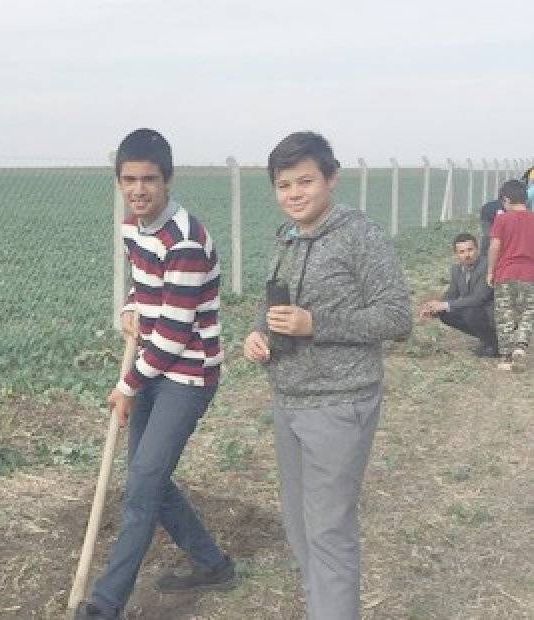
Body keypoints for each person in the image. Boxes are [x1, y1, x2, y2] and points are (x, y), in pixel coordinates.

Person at [243, 132, 412, 620]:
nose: (294, 194)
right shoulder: (286, 237)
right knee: (300, 528)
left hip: (339, 402)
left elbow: (397, 317)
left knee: (328, 532)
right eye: (283, 185)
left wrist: (316, 324)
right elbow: (273, 305)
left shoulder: (360, 236)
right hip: (289, 399)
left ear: (331, 178)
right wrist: (257, 334)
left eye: (305, 181)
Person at [75, 129, 236, 619]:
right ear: (119, 181)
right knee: (149, 477)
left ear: (167, 179)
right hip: (153, 366)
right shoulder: (134, 226)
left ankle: (105, 604)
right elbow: (145, 286)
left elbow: (173, 331)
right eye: (129, 180)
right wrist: (130, 305)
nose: (138, 189)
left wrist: (128, 386)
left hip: (187, 374)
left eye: (148, 179)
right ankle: (212, 564)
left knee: (142, 484)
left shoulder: (185, 239)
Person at [418, 233, 496, 356]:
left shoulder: (487, 266)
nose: (467, 255)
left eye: (470, 250)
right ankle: (486, 340)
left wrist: (445, 304)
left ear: (477, 249)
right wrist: (434, 308)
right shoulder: (456, 269)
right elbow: (451, 294)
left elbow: (479, 298)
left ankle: (493, 343)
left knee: (470, 311)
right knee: (445, 314)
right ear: (456, 254)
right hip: (473, 310)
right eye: (462, 252)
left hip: (491, 312)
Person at [486, 179, 534, 372]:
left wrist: (490, 270)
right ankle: (521, 345)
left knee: (505, 314)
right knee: (528, 311)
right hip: (530, 274)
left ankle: (506, 358)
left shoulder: (502, 219)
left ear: (506, 199)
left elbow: (495, 246)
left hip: (505, 273)